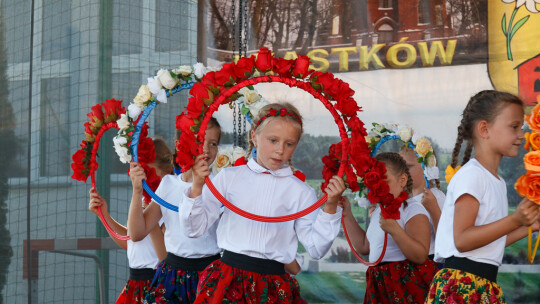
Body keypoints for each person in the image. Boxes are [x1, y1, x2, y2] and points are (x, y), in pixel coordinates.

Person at [179, 103, 346, 303]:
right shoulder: (229, 177)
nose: (280, 150)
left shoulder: (302, 193)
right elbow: (193, 229)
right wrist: (197, 187)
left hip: (273, 287)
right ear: (254, 137)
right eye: (273, 140)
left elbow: (316, 249)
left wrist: (330, 207)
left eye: (289, 144)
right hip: (227, 281)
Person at [426, 90, 540, 303]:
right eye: (514, 127)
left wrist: (529, 227)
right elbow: (463, 240)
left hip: (481, 284)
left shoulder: (496, 181)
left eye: (521, 127)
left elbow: (490, 242)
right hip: (461, 286)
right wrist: (515, 220)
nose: (521, 135)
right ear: (484, 129)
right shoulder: (472, 175)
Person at [127, 118, 222, 304]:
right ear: (181, 144)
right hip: (172, 275)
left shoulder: (220, 185)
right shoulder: (169, 184)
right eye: (199, 140)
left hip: (210, 275)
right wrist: (137, 190)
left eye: (213, 143)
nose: (206, 149)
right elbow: (137, 233)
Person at [341, 152, 438, 303]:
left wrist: (395, 230)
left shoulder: (412, 209)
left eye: (385, 180)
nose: (378, 186)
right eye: (374, 181)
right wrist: (347, 213)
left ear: (403, 180)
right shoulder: (379, 211)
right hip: (380, 285)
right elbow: (364, 246)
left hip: (404, 287)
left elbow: (420, 256)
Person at [88, 138, 171, 304]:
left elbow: (166, 259)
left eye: (148, 174)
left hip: (158, 285)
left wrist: (150, 221)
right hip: (135, 284)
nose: (144, 182)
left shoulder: (169, 204)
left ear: (165, 173)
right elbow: (131, 241)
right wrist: (104, 215)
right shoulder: (141, 200)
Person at [399, 146, 446, 259]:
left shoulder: (435, 196)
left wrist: (433, 209)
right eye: (400, 166)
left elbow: (446, 239)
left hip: (429, 263)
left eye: (408, 166)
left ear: (427, 168)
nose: (402, 172)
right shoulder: (407, 202)